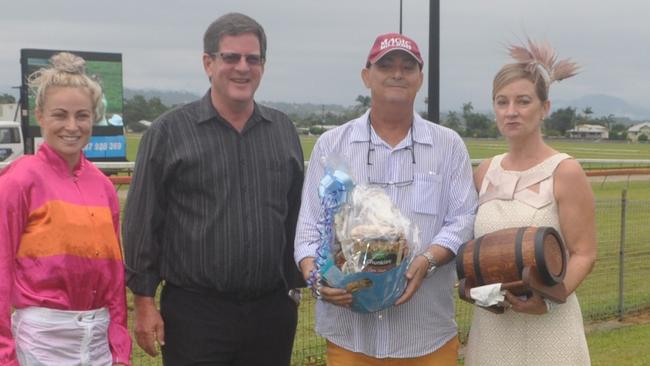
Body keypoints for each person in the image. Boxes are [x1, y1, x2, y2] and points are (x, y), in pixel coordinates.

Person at [122, 12, 305, 366]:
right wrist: (144, 302)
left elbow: (297, 215)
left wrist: (295, 285)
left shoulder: (282, 130)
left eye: (253, 59)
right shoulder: (169, 132)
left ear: (263, 66)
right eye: (230, 57)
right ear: (208, 63)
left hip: (271, 311)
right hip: (196, 313)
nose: (242, 67)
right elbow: (142, 223)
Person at [294, 33, 477, 365]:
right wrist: (317, 280)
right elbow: (308, 230)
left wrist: (428, 260)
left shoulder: (448, 146)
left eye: (408, 67)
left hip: (426, 333)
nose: (397, 73)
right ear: (367, 76)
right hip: (350, 336)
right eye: (386, 66)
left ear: (420, 79)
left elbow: (463, 220)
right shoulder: (332, 145)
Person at [463, 39, 596, 365]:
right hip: (495, 326)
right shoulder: (484, 172)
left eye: (523, 101)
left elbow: (584, 252)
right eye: (501, 101)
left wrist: (549, 299)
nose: (511, 111)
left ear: (544, 108)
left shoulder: (565, 171)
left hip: (550, 325)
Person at [0, 52, 131, 365]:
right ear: (40, 116)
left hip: (97, 340)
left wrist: (120, 345)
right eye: (60, 115)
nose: (72, 126)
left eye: (82, 115)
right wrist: (5, 354)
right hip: (42, 341)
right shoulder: (19, 180)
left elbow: (113, 276)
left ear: (93, 118)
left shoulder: (102, 185)